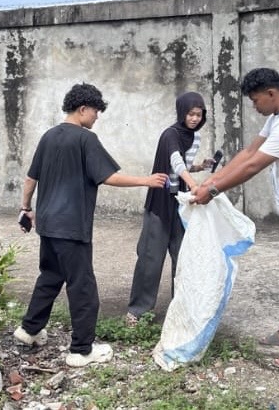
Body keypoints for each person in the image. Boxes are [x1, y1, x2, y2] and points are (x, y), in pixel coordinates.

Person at [12, 83, 168, 367]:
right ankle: (81, 350)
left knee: (50, 276)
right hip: (71, 227)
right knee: (82, 287)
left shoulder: (48, 136)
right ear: (83, 109)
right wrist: (146, 180)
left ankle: (29, 330)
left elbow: (30, 179)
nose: (97, 117)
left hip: (48, 224)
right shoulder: (86, 139)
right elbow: (109, 176)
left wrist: (26, 209)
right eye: (96, 111)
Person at [191, 67, 279, 367]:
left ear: (271, 93)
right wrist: (211, 180)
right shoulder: (277, 117)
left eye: (256, 101)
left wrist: (213, 190)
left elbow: (255, 165)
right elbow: (248, 153)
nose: (254, 107)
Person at [126, 91, 216, 326]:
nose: (194, 118)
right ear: (181, 112)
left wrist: (199, 167)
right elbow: (175, 162)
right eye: (191, 114)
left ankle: (182, 309)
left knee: (182, 256)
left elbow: (184, 165)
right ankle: (138, 311)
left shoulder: (194, 137)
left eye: (199, 114)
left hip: (181, 202)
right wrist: (195, 185)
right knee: (150, 257)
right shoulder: (170, 135)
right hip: (160, 201)